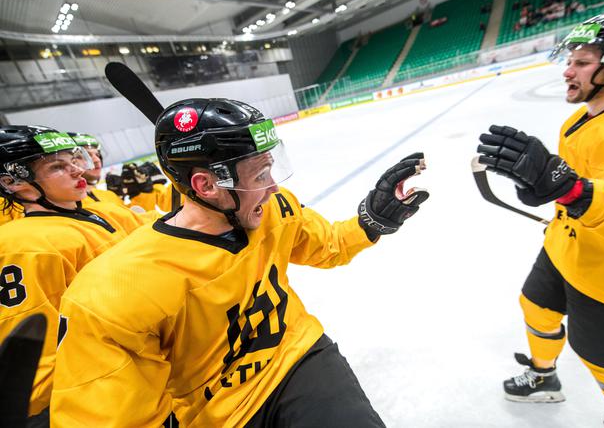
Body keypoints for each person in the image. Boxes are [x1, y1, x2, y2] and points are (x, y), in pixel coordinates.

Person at [51, 98, 429, 427]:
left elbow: (327, 245)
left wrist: (371, 221)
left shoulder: (272, 208)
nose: (274, 187)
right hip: (217, 414)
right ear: (206, 186)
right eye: (260, 174)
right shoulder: (112, 290)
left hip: (297, 357)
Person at [477, 9, 604, 427]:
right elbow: (573, 186)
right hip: (568, 246)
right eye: (570, 59)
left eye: (582, 62)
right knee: (534, 305)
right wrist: (540, 183)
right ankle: (543, 378)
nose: (568, 71)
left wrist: (572, 189)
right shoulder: (581, 118)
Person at [0, 125, 158, 425]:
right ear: (13, 182)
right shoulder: (24, 245)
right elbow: (34, 339)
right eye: (57, 166)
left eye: (74, 159)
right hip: (94, 400)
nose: (77, 170)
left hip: (139, 370)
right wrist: (41, 412)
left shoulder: (94, 212)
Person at [67, 132, 124, 206]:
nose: (97, 160)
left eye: (97, 155)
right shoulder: (68, 204)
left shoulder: (109, 195)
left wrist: (138, 193)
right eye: (86, 155)